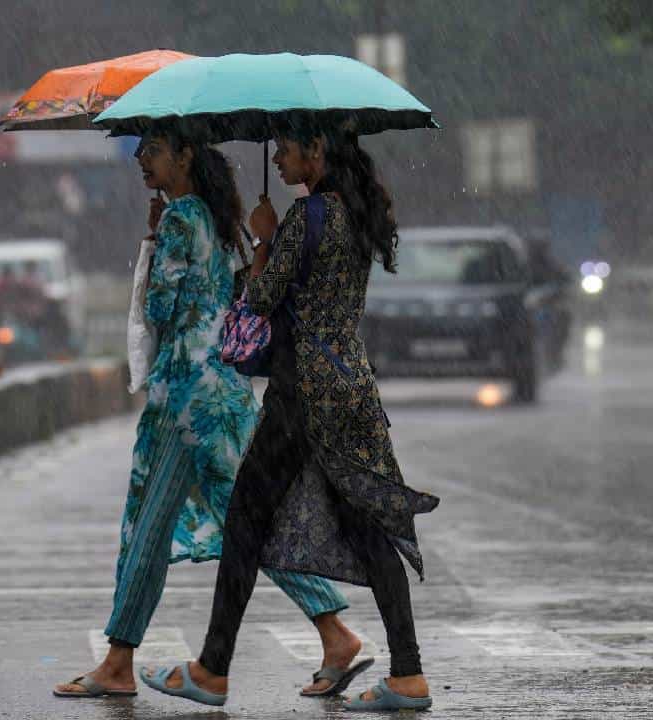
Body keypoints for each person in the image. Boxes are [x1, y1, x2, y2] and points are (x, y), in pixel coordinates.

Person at [138, 118, 439, 712]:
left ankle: (213, 669)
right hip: (350, 388)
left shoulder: (308, 217)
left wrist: (264, 240)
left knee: (245, 523)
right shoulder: (357, 214)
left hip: (300, 396)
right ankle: (407, 673)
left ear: (316, 149)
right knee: (365, 529)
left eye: (287, 149)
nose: (278, 161)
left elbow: (258, 299)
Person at [54, 129, 357, 699]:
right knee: (198, 523)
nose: (141, 160)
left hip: (185, 398)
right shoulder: (220, 219)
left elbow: (160, 307)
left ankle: (333, 632)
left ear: (185, 156)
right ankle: (121, 659)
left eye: (153, 150)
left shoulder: (178, 218)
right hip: (221, 388)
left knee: (171, 525)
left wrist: (152, 241)